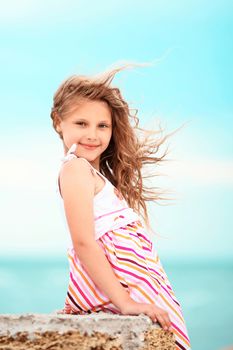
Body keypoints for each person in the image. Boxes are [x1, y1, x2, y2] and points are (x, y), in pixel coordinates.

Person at [50, 62, 191, 349]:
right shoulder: (75, 169)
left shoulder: (93, 174)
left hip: (129, 280)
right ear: (57, 122)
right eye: (81, 123)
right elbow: (83, 242)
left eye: (102, 126)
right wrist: (125, 302)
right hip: (119, 287)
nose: (92, 134)